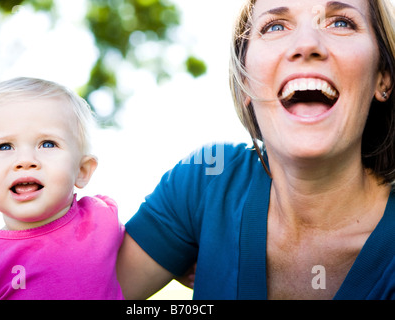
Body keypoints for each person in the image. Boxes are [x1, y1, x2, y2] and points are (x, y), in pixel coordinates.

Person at [117, 0, 395, 299]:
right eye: (275, 26)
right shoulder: (208, 180)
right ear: (245, 79)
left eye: (340, 22)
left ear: (383, 76)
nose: (306, 44)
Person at [0, 77, 124, 299]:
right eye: (4, 146)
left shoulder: (101, 219)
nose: (25, 160)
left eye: (48, 144)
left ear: (82, 170)